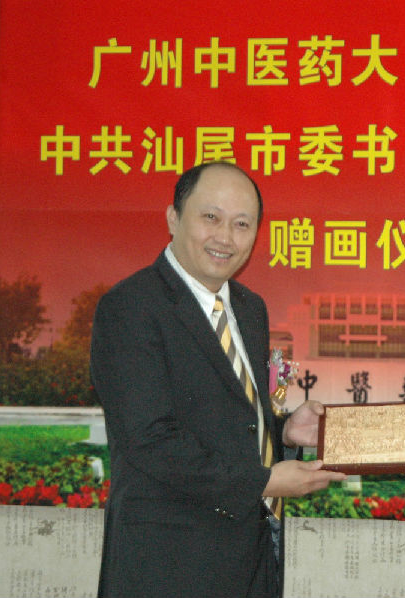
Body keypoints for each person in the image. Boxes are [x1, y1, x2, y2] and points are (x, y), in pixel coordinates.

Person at [90, 161, 345, 598]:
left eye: (242, 224)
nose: (226, 237)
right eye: (211, 217)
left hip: (249, 559)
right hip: (167, 566)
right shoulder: (130, 307)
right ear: (173, 218)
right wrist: (263, 483)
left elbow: (229, 419)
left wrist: (284, 430)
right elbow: (150, 440)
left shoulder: (249, 308)